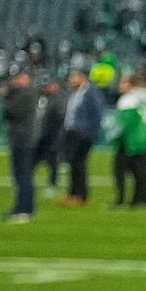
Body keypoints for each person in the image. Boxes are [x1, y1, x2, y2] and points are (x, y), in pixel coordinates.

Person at [0, 66, 44, 223]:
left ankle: (25, 209)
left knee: (23, 175)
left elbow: (12, 112)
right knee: (20, 176)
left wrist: (6, 95)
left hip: (24, 139)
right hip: (22, 138)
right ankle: (21, 206)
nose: (14, 80)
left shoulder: (26, 93)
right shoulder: (25, 93)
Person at [55, 66, 104, 207]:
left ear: (82, 77)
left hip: (82, 134)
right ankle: (73, 194)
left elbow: (97, 114)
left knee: (79, 164)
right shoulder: (74, 93)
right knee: (73, 163)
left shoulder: (91, 93)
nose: (71, 80)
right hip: (71, 133)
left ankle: (81, 195)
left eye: (73, 77)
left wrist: (88, 131)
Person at [110, 71, 146, 208]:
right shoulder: (145, 99)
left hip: (129, 141)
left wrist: (114, 137)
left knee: (120, 171)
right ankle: (142, 199)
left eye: (123, 82)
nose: (120, 85)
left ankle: (121, 199)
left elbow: (124, 124)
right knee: (142, 172)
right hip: (143, 139)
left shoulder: (128, 100)